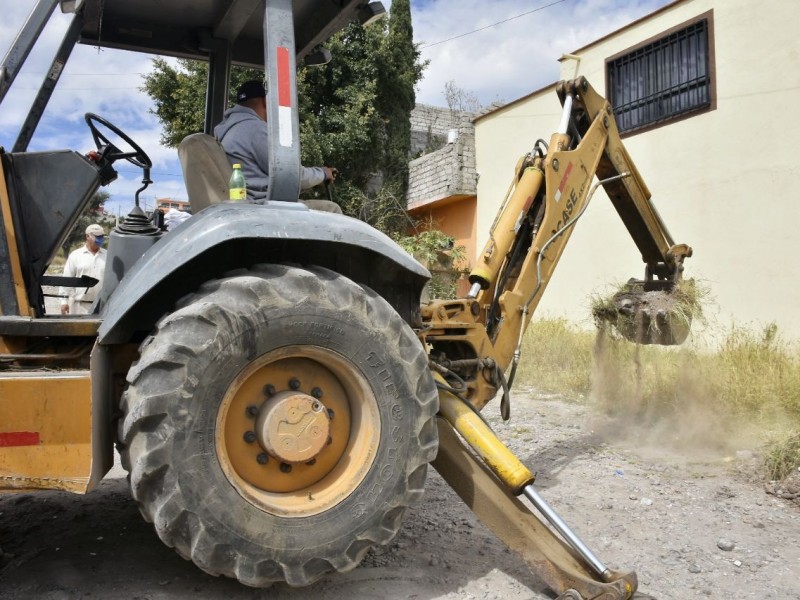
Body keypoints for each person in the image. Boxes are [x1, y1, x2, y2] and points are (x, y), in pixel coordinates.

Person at [214, 79, 341, 211]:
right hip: (263, 208)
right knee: (332, 210)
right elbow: (291, 176)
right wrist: (323, 173)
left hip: (251, 203)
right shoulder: (256, 130)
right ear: (266, 101)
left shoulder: (229, 129)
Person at [59, 223, 107, 315]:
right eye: (97, 236)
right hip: (79, 306)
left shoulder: (108, 255)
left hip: (102, 306)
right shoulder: (76, 255)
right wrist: (64, 301)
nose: (100, 239)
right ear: (87, 236)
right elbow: (66, 279)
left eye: (101, 236)